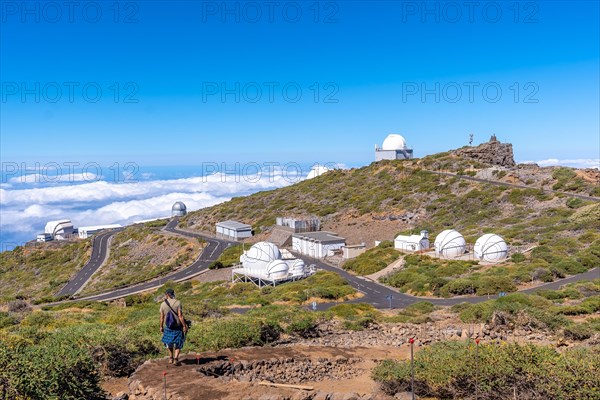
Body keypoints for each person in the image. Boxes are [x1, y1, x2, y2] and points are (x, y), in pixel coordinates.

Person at [160, 288, 188, 366]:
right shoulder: (178, 303)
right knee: (178, 342)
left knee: (169, 342)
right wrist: (184, 326)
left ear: (167, 295)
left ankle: (170, 358)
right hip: (177, 326)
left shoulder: (162, 304)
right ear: (172, 294)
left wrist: (161, 326)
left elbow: (161, 317)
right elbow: (180, 316)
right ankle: (176, 359)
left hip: (168, 327)